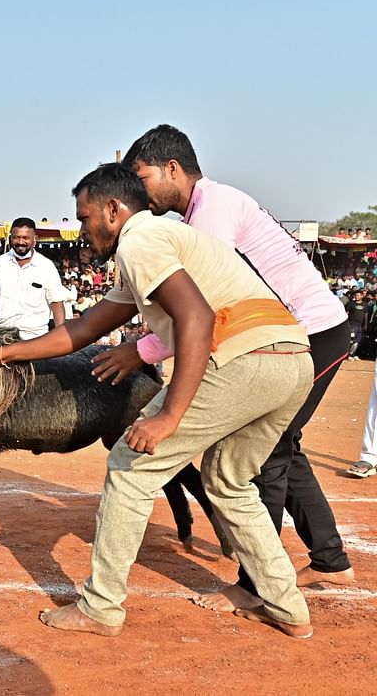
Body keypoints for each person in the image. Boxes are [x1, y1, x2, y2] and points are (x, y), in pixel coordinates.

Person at [0, 163, 315, 639]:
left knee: (130, 468)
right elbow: (85, 328)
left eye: (85, 216)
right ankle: (285, 605)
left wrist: (170, 415)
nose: (82, 228)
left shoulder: (140, 242)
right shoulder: (158, 241)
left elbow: (196, 318)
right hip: (292, 359)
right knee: (230, 481)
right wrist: (5, 352)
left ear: (114, 210)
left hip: (243, 356)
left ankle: (100, 607)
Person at [92, 124, 354, 610]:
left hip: (303, 332)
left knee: (262, 456)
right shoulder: (202, 209)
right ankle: (330, 558)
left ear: (172, 169)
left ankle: (256, 589)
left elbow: (200, 310)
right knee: (282, 447)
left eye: (140, 177)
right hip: (293, 332)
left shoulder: (209, 212)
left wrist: (141, 352)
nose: (135, 191)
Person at [0, 219, 66, 339]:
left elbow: (56, 303)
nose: (21, 242)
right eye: (16, 237)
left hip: (34, 339)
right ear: (10, 238)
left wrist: (60, 336)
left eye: (25, 238)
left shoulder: (46, 266)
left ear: (35, 239)